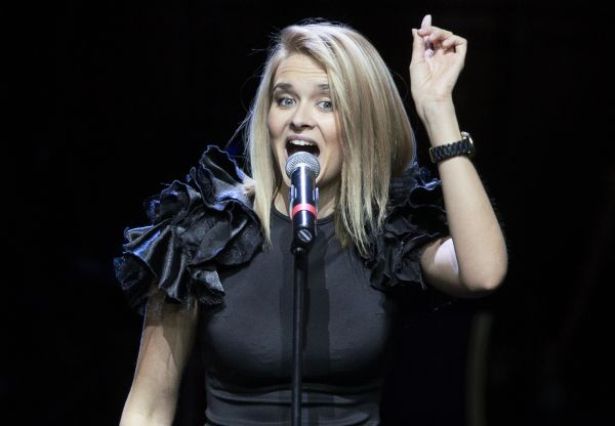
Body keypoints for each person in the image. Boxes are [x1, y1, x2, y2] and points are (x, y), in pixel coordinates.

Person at [114, 14, 508, 426]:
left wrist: (438, 111)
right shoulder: (205, 230)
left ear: (361, 122)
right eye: (285, 99)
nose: (299, 118)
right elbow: (148, 406)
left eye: (326, 103)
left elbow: (482, 273)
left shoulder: (388, 231)